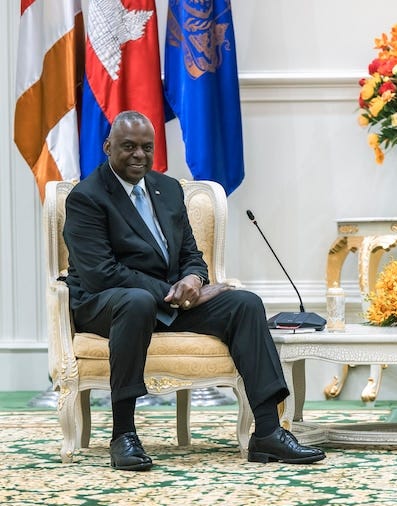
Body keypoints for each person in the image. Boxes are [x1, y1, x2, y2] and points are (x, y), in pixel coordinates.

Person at [63, 110, 325, 471]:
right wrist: (174, 291)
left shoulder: (168, 190)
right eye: (128, 147)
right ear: (108, 146)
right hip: (106, 303)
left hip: (168, 300)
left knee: (244, 304)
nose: (138, 155)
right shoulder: (86, 197)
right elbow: (101, 273)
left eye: (146, 147)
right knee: (136, 301)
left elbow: (191, 254)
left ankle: (267, 431)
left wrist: (194, 281)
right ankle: (123, 435)